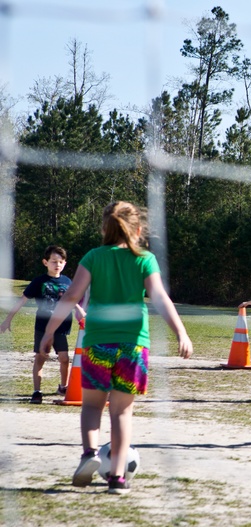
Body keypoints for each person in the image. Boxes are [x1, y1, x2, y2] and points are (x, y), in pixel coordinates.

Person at [40, 202, 193, 494]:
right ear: (137, 230)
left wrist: (49, 331)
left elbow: (72, 295)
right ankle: (118, 479)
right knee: (122, 413)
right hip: (134, 346)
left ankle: (89, 454)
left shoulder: (94, 257)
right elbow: (160, 297)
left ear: (104, 229)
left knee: (92, 405)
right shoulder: (145, 259)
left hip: (98, 343)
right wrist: (181, 333)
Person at [1, 245, 86, 404]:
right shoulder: (39, 281)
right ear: (45, 262)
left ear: (65, 263)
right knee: (41, 357)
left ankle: (63, 386)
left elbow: (72, 300)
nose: (57, 265)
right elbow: (22, 301)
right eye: (53, 261)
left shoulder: (67, 281)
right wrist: (8, 319)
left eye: (60, 262)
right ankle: (36, 391)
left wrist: (80, 310)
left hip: (61, 327)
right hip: (42, 327)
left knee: (64, 358)